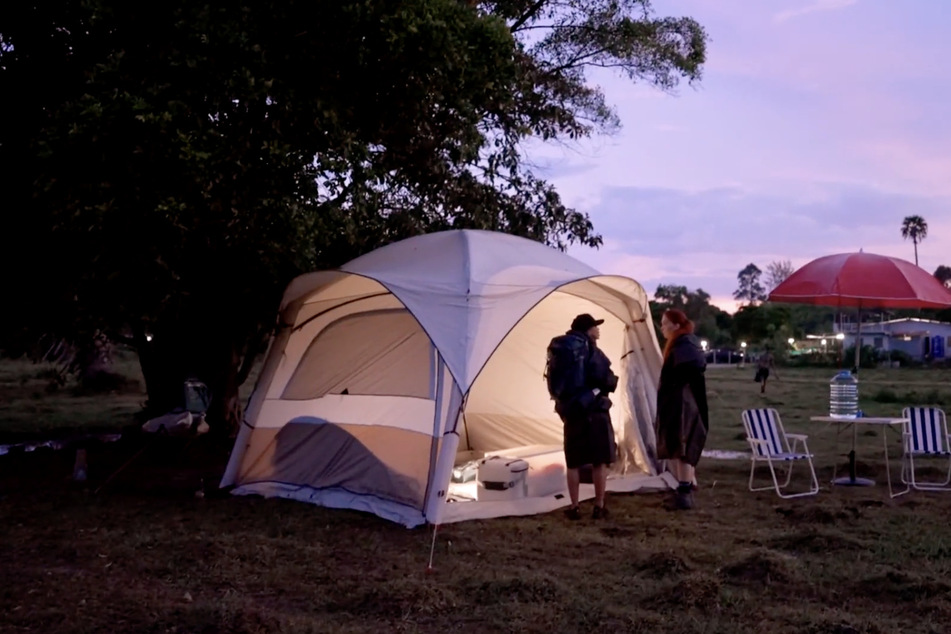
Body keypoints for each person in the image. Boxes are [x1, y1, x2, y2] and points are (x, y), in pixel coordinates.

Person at [551, 313, 618, 520]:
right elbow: (606, 379)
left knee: (573, 462)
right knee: (599, 460)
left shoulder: (560, 348)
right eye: (595, 327)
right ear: (588, 330)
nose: (598, 330)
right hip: (595, 410)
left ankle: (574, 506)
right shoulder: (591, 349)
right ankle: (599, 505)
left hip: (571, 411)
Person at [656, 309, 709, 510]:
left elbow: (692, 367)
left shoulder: (684, 343)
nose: (662, 328)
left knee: (683, 445)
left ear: (676, 325)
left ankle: (685, 493)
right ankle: (683, 489)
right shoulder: (682, 343)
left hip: (683, 404)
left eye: (665, 323)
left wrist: (677, 386)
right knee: (677, 446)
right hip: (680, 401)